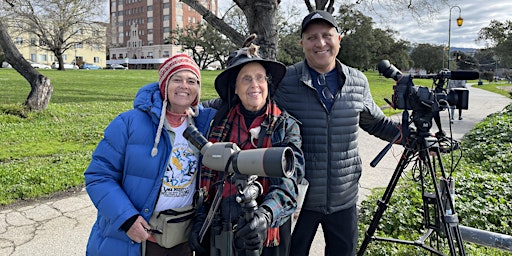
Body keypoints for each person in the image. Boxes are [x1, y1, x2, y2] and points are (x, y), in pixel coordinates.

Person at [273, 10, 401, 255]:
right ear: (302, 44)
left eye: (326, 35)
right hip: (298, 199)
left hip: (344, 197)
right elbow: (251, 103)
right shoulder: (284, 81)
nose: (320, 43)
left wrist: (411, 137)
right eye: (311, 37)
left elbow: (376, 123)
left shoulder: (358, 81)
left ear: (339, 39)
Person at [84, 53, 216, 256]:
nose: (184, 86)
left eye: (192, 81)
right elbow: (99, 176)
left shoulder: (206, 126)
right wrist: (127, 219)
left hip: (182, 239)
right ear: (164, 84)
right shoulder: (128, 123)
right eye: (177, 79)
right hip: (136, 237)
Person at [189, 39, 305, 256]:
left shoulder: (286, 126)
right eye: (246, 79)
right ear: (235, 87)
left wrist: (266, 216)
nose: (254, 85)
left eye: (260, 78)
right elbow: (205, 176)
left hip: (264, 233)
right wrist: (199, 217)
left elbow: (291, 182)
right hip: (218, 227)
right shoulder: (218, 123)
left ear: (268, 84)